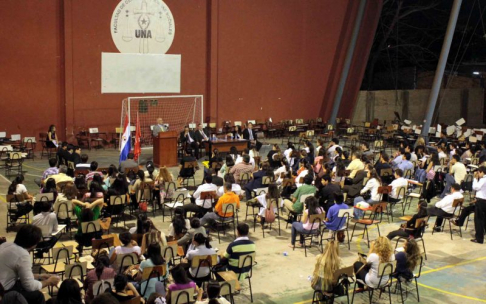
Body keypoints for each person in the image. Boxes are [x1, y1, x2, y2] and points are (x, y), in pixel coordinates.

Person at [0, 225, 60, 304]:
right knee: (38, 296)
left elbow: (20, 273)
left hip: (3, 284)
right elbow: (30, 286)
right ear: (33, 244)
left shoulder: (5, 245)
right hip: (5, 291)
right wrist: (49, 281)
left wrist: (39, 276)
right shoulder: (23, 255)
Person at [472, 166, 486, 244]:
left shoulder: (483, 179)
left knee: (479, 220)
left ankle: (479, 238)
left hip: (481, 201)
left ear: (481, 172)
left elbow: (475, 187)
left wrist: (475, 179)